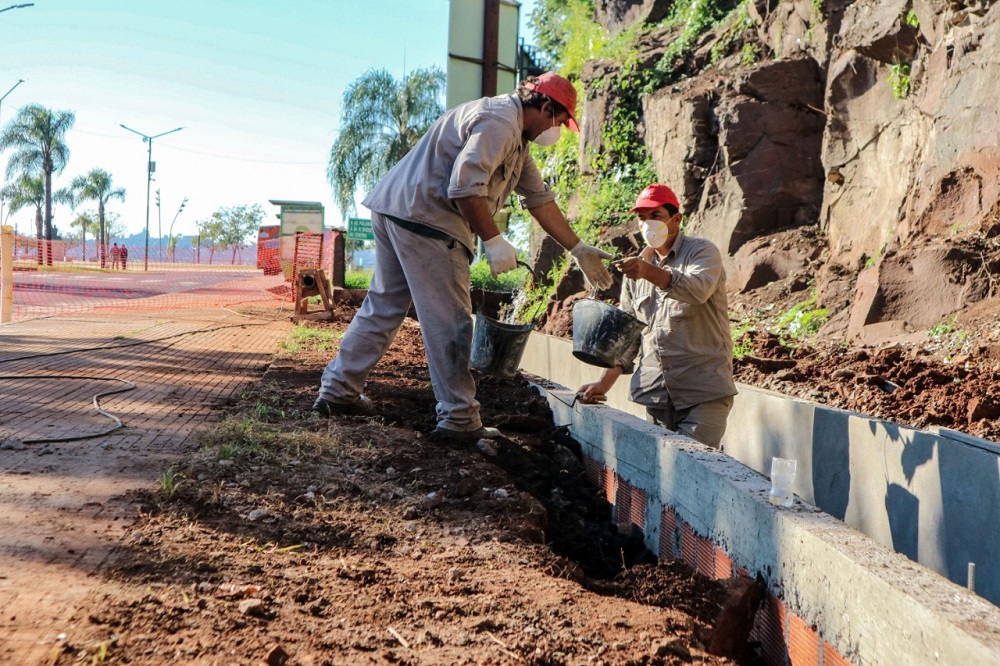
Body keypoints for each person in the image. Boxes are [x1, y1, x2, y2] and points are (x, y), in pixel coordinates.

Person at [314, 72, 614, 442]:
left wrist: (577, 247)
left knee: (384, 306)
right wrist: (494, 239)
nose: (555, 130)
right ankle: (458, 418)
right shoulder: (500, 124)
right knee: (451, 323)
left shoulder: (514, 135)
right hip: (429, 221)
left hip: (396, 210)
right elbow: (464, 187)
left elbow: (539, 198)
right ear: (546, 107)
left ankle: (338, 391)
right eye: (556, 121)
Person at [576, 184, 737, 449]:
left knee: (692, 468)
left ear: (676, 219)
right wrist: (604, 384)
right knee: (661, 475)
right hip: (656, 395)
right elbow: (628, 335)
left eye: (656, 216)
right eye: (642, 218)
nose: (647, 224)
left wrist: (648, 272)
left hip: (702, 391)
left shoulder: (701, 252)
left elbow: (697, 290)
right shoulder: (637, 270)